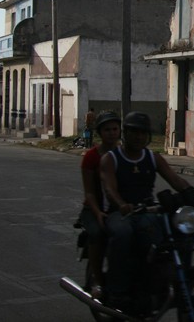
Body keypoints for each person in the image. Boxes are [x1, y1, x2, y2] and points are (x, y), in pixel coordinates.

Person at [100, 111, 194, 311]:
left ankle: (164, 283)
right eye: (134, 132)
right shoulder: (111, 158)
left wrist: (190, 192)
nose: (138, 137)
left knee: (172, 235)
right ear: (125, 133)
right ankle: (117, 292)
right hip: (121, 213)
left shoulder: (153, 157)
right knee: (123, 233)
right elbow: (110, 189)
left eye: (143, 133)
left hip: (147, 210)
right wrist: (122, 204)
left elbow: (174, 179)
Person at [78, 110, 121, 299]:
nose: (111, 133)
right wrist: (97, 212)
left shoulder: (124, 154)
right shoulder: (91, 157)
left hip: (117, 206)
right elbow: (89, 192)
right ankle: (97, 278)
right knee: (97, 233)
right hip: (94, 207)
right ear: (100, 133)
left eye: (115, 129)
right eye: (107, 130)